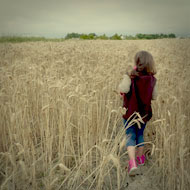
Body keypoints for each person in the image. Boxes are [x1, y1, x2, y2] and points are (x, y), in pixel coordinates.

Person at [118, 50, 157, 176]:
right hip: (144, 113)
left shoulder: (130, 76)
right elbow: (154, 97)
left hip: (130, 112)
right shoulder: (152, 79)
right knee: (140, 134)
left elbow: (123, 89)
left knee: (130, 135)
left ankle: (132, 163)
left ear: (137, 62)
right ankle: (141, 158)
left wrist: (126, 78)